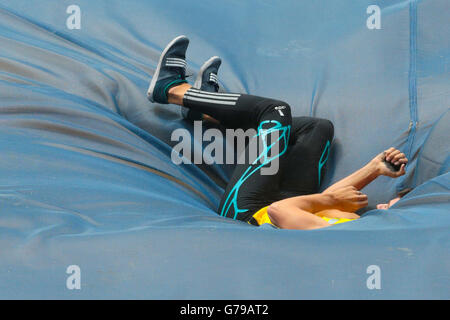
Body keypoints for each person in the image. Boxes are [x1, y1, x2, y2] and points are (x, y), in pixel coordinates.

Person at [147, 35, 409, 230]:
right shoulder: (363, 221)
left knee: (276, 112)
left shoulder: (353, 234)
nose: (389, 200)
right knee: (317, 128)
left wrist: (328, 198)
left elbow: (279, 211)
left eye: (396, 203)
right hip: (293, 200)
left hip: (247, 212)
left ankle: (172, 90)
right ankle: (206, 111)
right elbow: (333, 200)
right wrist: (375, 169)